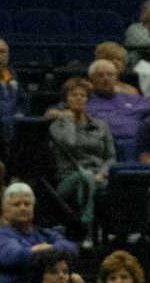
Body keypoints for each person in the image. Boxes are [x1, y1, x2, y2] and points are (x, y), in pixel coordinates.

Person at [48, 75, 115, 234]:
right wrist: (69, 121)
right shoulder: (56, 126)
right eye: (74, 95)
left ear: (87, 99)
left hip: (98, 177)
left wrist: (102, 173)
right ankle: (88, 228)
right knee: (85, 177)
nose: (79, 98)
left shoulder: (100, 126)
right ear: (66, 100)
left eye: (83, 95)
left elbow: (111, 157)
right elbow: (69, 143)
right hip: (68, 178)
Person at [0, 183, 77, 283]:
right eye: (16, 204)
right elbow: (16, 257)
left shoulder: (45, 233)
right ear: (5, 209)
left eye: (27, 204)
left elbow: (71, 249)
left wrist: (45, 250)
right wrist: (48, 251)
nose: (23, 208)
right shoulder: (0, 237)